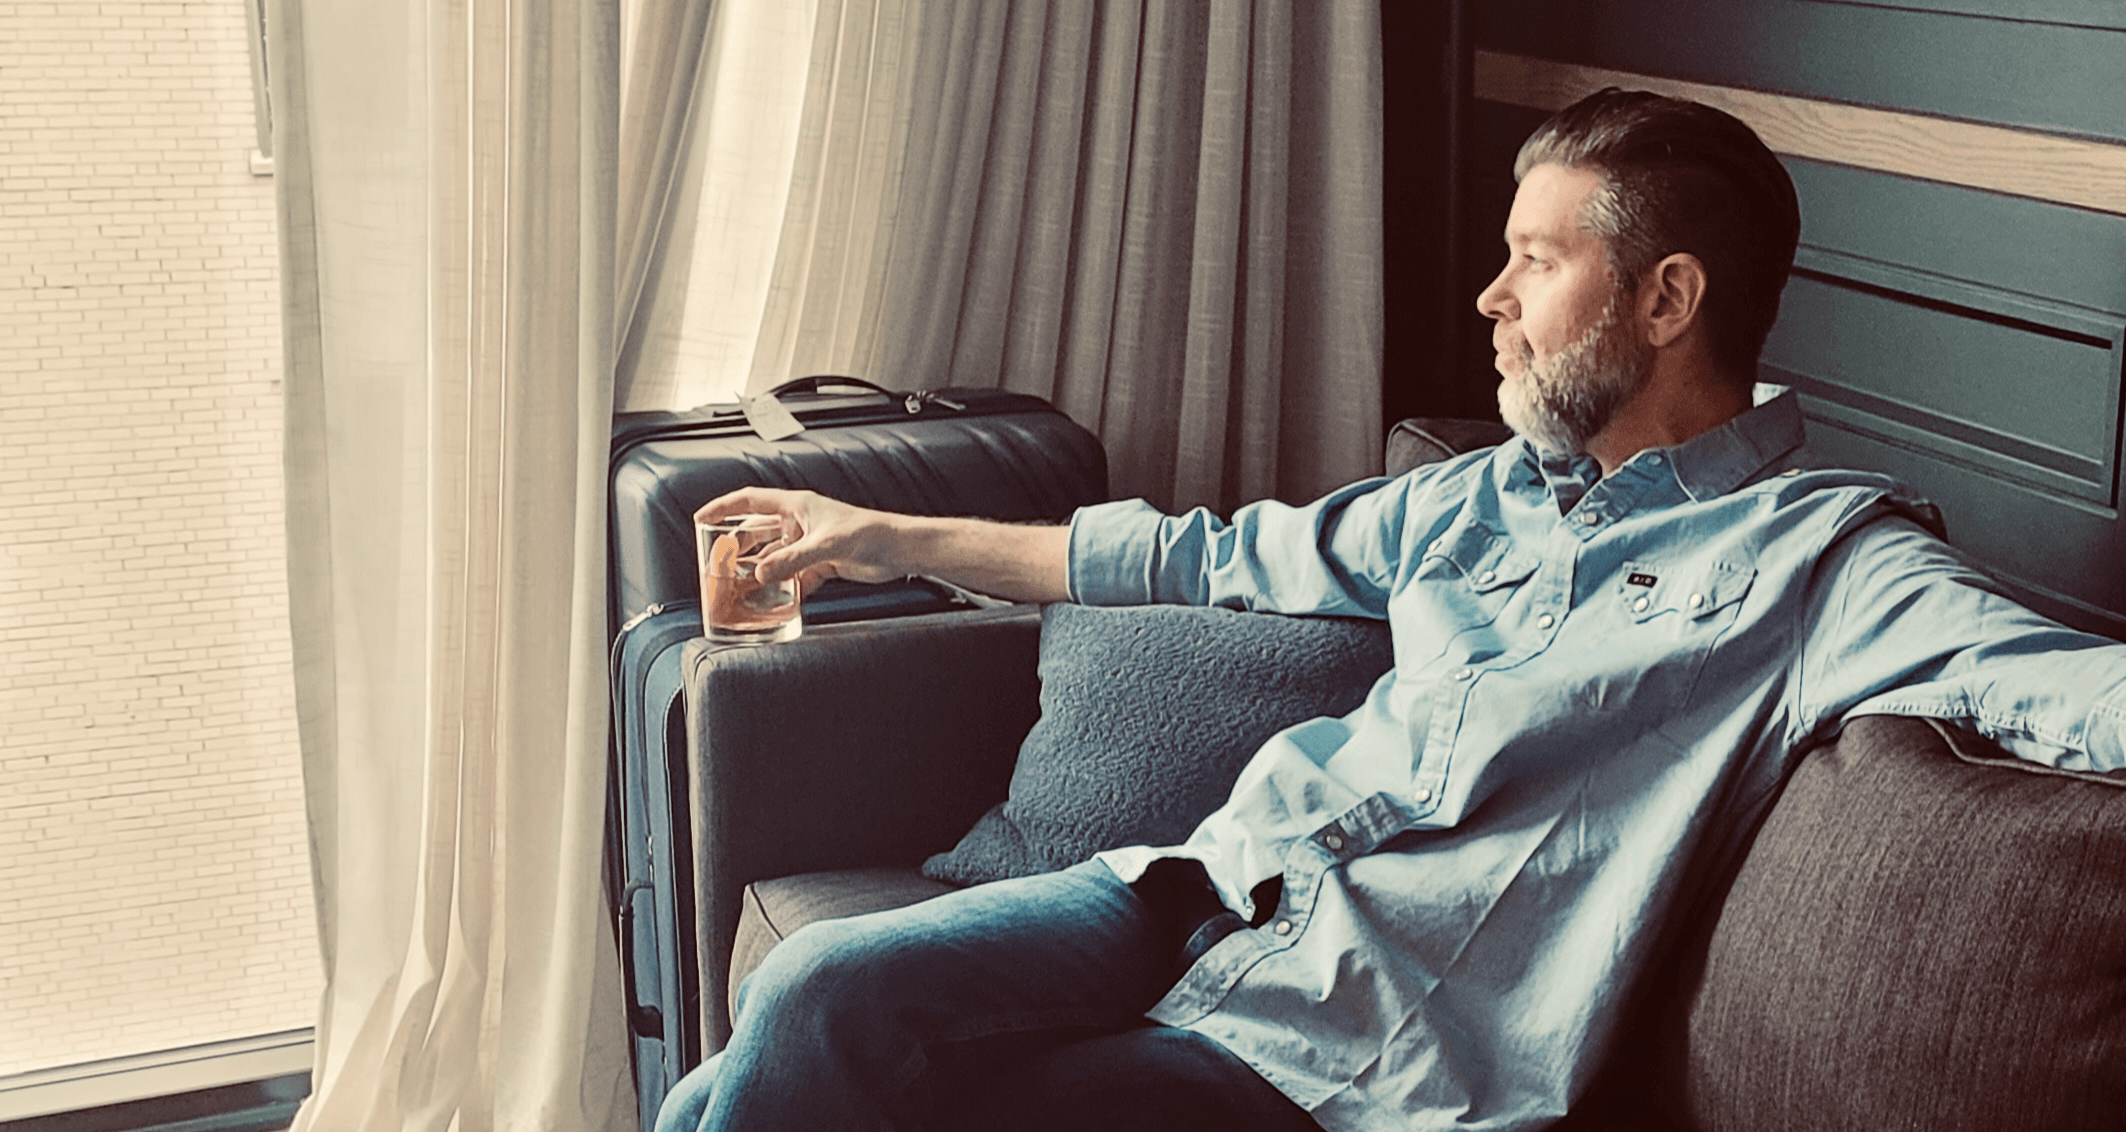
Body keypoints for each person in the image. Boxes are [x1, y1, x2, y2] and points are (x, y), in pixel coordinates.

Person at [656, 89, 2126, 1132]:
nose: (1492, 297)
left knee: (797, 1074)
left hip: (1350, 1051)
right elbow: (1199, 558)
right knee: (814, 1001)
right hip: (1202, 891)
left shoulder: (1827, 563)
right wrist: (883, 533)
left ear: (1667, 299)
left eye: (1536, 260)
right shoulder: (1478, 495)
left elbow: (2062, 689)